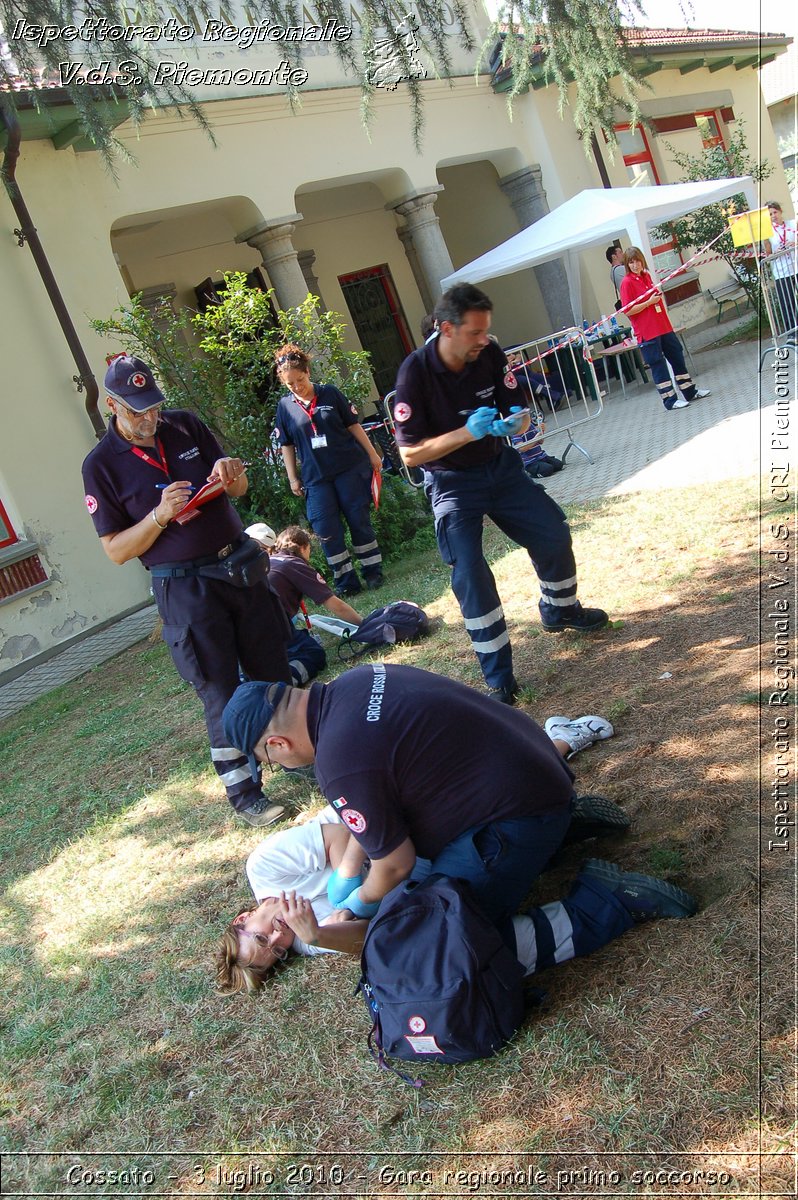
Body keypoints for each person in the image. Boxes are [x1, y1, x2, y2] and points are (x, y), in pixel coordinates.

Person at [216, 700, 640, 993]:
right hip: (405, 860)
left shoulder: (265, 869)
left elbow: (344, 837)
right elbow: (375, 938)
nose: (278, 936)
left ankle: (562, 740)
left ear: (244, 916)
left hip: (385, 812)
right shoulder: (305, 938)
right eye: (275, 951)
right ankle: (559, 835)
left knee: (488, 790)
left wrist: (353, 893)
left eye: (261, 935)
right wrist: (323, 933)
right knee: (448, 926)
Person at [81, 354, 291, 827]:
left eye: (153, 406)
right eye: (137, 411)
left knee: (272, 664)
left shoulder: (185, 426)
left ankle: (300, 755)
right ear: (112, 405)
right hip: (183, 586)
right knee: (219, 687)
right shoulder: (100, 466)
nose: (149, 418)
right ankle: (244, 792)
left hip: (237, 565)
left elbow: (237, 493)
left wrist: (233, 477)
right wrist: (158, 516)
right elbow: (115, 550)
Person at [392, 283, 608, 705]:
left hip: (500, 467)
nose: (484, 340)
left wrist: (515, 422)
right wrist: (464, 433)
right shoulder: (414, 372)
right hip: (452, 483)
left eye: (486, 331)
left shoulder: (488, 353)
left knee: (552, 532)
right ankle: (499, 677)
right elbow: (410, 454)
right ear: (446, 329)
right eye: (475, 332)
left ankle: (559, 609)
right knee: (470, 573)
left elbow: (517, 405)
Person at [273, 343, 384, 598]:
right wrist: (292, 478)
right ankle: (346, 581)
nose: (297, 387)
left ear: (308, 372)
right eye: (291, 384)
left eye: (300, 380)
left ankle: (373, 572)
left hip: (349, 470)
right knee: (326, 530)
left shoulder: (330, 394)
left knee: (359, 521)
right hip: (316, 479)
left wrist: (373, 454)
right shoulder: (285, 407)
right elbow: (286, 445)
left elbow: (353, 426)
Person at [247, 523, 362, 686]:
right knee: (313, 654)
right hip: (269, 628)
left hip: (249, 631)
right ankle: (279, 683)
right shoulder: (294, 564)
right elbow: (336, 606)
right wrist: (364, 625)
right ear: (304, 547)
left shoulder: (270, 562)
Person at [619, 248, 712, 412]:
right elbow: (628, 310)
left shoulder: (646, 276)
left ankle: (690, 391)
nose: (635, 265)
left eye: (637, 261)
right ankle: (670, 400)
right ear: (627, 264)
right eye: (631, 262)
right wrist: (648, 303)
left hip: (663, 326)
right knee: (658, 364)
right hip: (647, 331)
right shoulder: (627, 282)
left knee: (677, 355)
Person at [765, 200, 797, 339]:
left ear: (780, 211)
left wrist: (795, 243)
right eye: (770, 214)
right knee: (787, 304)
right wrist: (775, 252)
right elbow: (768, 255)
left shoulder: (792, 224)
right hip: (781, 272)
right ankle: (792, 335)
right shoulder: (768, 232)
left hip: (796, 267)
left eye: (775, 212)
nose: (773, 216)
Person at [511, 412, 564, 478]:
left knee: (559, 465)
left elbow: (541, 442)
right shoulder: (516, 431)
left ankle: (543, 467)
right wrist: (535, 438)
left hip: (541, 456)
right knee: (548, 469)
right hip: (530, 461)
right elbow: (522, 448)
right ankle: (532, 474)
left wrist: (542, 432)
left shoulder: (530, 426)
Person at [606, 243, 626, 310]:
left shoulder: (613, 271)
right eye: (620, 252)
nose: (623, 254)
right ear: (614, 257)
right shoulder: (620, 269)